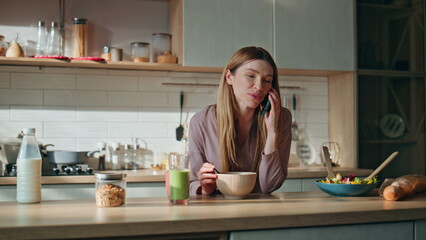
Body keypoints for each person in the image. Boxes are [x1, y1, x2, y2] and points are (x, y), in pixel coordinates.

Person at [188, 46, 292, 195]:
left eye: (267, 80)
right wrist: (205, 188)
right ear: (229, 77)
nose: (259, 86)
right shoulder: (201, 121)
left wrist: (273, 132)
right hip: (217, 212)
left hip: (261, 212)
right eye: (250, 76)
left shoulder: (282, 119)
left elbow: (269, 186)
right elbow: (193, 184)